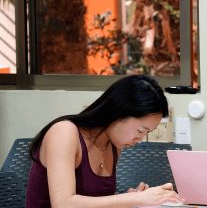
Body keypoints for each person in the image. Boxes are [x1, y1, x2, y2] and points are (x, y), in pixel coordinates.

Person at [26, 75, 183, 207]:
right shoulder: (64, 132)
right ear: (120, 113)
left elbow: (94, 200)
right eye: (140, 131)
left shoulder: (113, 145)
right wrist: (134, 199)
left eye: (147, 133)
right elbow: (63, 204)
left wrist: (131, 199)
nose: (140, 140)